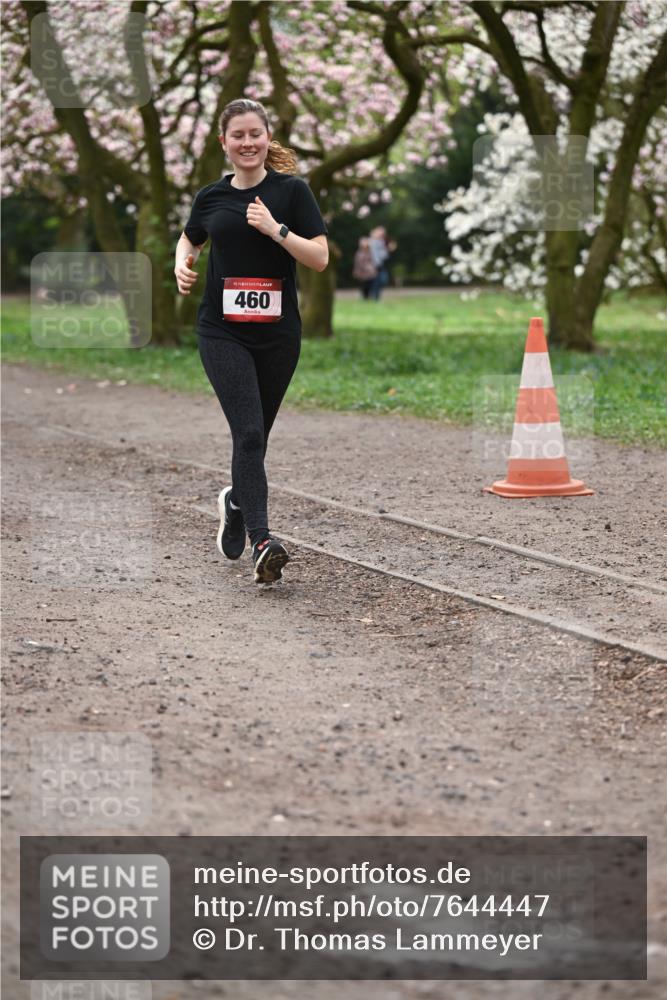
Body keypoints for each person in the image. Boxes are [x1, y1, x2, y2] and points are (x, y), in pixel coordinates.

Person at [175, 98, 328, 585]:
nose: (247, 143)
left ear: (268, 138)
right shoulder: (211, 197)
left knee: (256, 437)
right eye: (237, 135)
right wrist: (183, 260)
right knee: (248, 434)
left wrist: (276, 229)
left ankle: (237, 500)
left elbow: (320, 258)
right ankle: (264, 541)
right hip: (222, 330)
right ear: (224, 142)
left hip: (279, 336)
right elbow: (191, 236)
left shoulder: (291, 192)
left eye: (255, 134)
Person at [368, 226, 397, 301]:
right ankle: (374, 296)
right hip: (375, 264)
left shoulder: (381, 242)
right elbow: (377, 254)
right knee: (379, 280)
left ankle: (375, 297)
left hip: (380, 264)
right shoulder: (374, 242)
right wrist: (388, 249)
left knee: (379, 281)